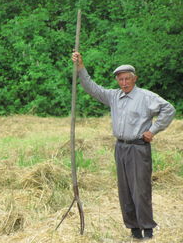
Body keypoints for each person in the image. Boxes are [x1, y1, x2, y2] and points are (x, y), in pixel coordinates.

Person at [72, 51, 176, 240]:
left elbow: (168, 109)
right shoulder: (114, 97)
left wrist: (153, 130)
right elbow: (92, 88)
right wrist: (81, 67)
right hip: (120, 148)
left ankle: (147, 229)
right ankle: (133, 229)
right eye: (120, 79)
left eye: (127, 79)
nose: (124, 82)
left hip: (138, 148)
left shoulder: (145, 97)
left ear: (134, 79)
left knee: (140, 190)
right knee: (125, 190)